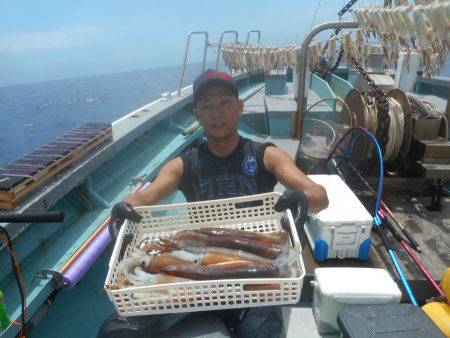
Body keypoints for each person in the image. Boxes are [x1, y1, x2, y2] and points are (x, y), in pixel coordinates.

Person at [98, 69, 328, 338]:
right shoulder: (185, 164)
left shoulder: (266, 155)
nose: (216, 112)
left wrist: (300, 198)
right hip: (197, 280)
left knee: (261, 334)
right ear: (197, 114)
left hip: (251, 283)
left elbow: (319, 195)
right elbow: (143, 197)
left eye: (224, 103)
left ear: (240, 107)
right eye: (206, 106)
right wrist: (124, 207)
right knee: (115, 331)